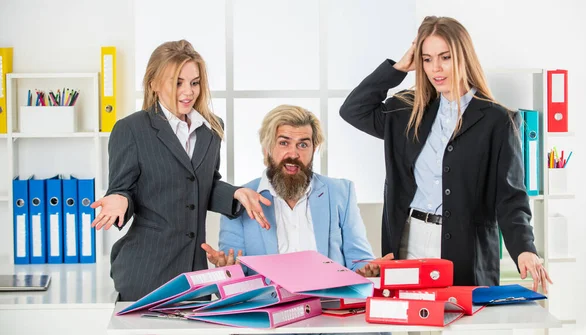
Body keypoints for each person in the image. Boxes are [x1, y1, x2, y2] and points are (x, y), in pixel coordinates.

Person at [339, 16, 552, 292]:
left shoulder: (497, 121)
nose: (435, 68)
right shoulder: (405, 111)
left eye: (445, 57)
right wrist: (400, 67)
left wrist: (525, 248)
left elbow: (511, 197)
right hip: (408, 240)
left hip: (464, 246)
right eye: (426, 59)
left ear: (463, 56)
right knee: (412, 325)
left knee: (460, 324)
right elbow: (353, 110)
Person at [89, 40, 271, 301]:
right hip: (146, 271)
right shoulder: (131, 129)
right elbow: (122, 190)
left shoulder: (211, 127)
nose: (188, 92)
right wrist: (119, 199)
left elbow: (204, 183)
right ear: (153, 83)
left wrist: (236, 194)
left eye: (194, 82)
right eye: (177, 82)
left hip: (195, 274)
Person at [202, 104, 392, 277]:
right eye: (284, 143)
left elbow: (359, 260)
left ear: (313, 148)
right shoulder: (240, 199)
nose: (294, 154)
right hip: (270, 308)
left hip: (328, 307)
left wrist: (369, 270)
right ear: (267, 148)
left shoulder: (340, 192)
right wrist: (226, 270)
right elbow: (235, 275)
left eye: (303, 144)